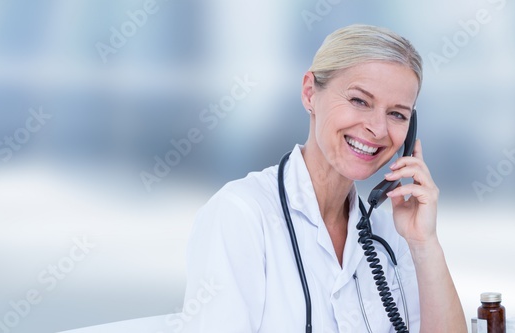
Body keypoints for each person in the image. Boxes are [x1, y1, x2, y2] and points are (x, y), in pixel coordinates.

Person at [180, 24, 467, 333]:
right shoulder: (241, 214)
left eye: (397, 114)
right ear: (309, 94)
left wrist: (424, 244)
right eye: (359, 100)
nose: (379, 129)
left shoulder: (391, 235)